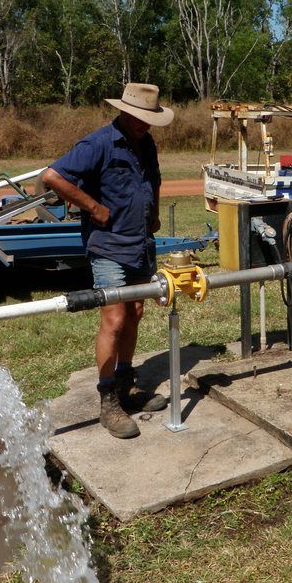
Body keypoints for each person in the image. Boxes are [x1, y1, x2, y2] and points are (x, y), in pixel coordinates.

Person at [41, 83, 174, 439]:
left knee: (135, 313)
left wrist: (155, 213)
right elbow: (52, 176)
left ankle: (127, 385)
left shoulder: (146, 144)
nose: (146, 125)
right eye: (141, 118)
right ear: (125, 112)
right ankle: (108, 400)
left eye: (151, 120)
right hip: (108, 247)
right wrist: (94, 207)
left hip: (140, 244)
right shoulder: (98, 143)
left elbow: (154, 182)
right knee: (114, 320)